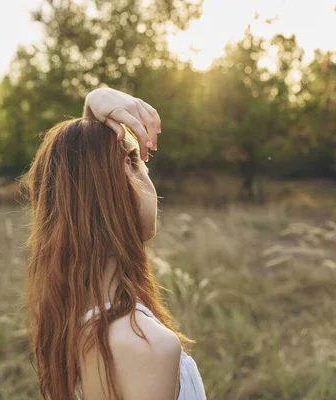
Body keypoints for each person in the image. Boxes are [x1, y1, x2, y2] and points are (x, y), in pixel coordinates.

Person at [23, 87, 206, 400]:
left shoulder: (73, 312)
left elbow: (83, 187)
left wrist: (93, 105)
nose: (146, 175)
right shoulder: (144, 346)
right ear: (120, 176)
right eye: (136, 162)